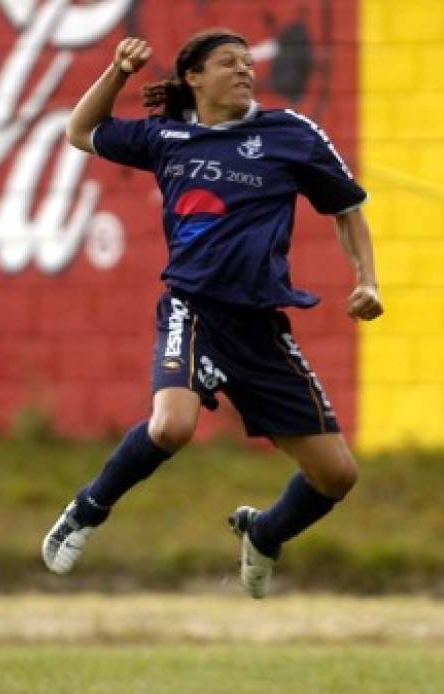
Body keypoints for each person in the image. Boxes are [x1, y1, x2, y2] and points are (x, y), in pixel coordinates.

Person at [41, 30, 383, 598]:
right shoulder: (167, 137)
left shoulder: (291, 135)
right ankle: (86, 510)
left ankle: (265, 532)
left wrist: (367, 281)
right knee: (172, 426)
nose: (245, 70)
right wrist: (118, 73)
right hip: (192, 305)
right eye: (228, 62)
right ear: (194, 77)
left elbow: (348, 209)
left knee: (336, 475)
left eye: (249, 62)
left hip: (259, 325)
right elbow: (79, 132)